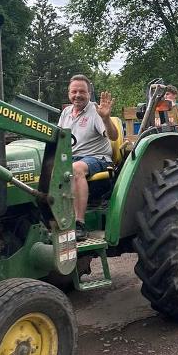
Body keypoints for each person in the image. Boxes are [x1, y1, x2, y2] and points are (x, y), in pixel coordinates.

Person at [58, 74, 119, 241]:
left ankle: (79, 223)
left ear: (89, 93)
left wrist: (106, 118)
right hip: (71, 157)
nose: (77, 95)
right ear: (69, 93)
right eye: (74, 91)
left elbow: (113, 136)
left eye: (82, 91)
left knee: (75, 169)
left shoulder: (96, 111)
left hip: (97, 159)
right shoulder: (66, 113)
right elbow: (58, 138)